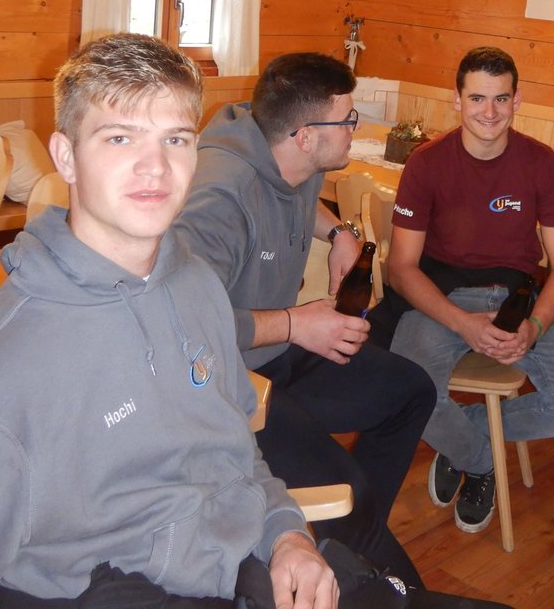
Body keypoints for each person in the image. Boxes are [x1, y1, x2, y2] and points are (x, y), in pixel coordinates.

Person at [0, 32, 336, 607]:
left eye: (175, 139)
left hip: (249, 563)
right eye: (120, 137)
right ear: (66, 157)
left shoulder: (196, 285)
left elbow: (235, 446)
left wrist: (287, 535)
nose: (155, 167)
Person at [173, 53, 434, 587]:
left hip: (276, 353)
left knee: (410, 392)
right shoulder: (219, 198)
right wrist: (297, 325)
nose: (355, 127)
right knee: (347, 489)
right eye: (348, 119)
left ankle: (351, 547)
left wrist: (338, 233)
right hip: (225, 383)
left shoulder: (291, 155)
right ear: (306, 135)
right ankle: (359, 552)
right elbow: (185, 325)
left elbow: (293, 194)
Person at [387, 47, 554, 535]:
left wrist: (535, 326)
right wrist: (463, 324)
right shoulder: (426, 163)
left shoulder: (542, 164)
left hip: (515, 299)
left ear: (517, 100)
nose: (489, 111)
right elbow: (401, 269)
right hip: (441, 297)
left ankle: (458, 439)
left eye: (501, 98)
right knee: (406, 392)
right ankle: (480, 461)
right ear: (457, 100)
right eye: (477, 98)